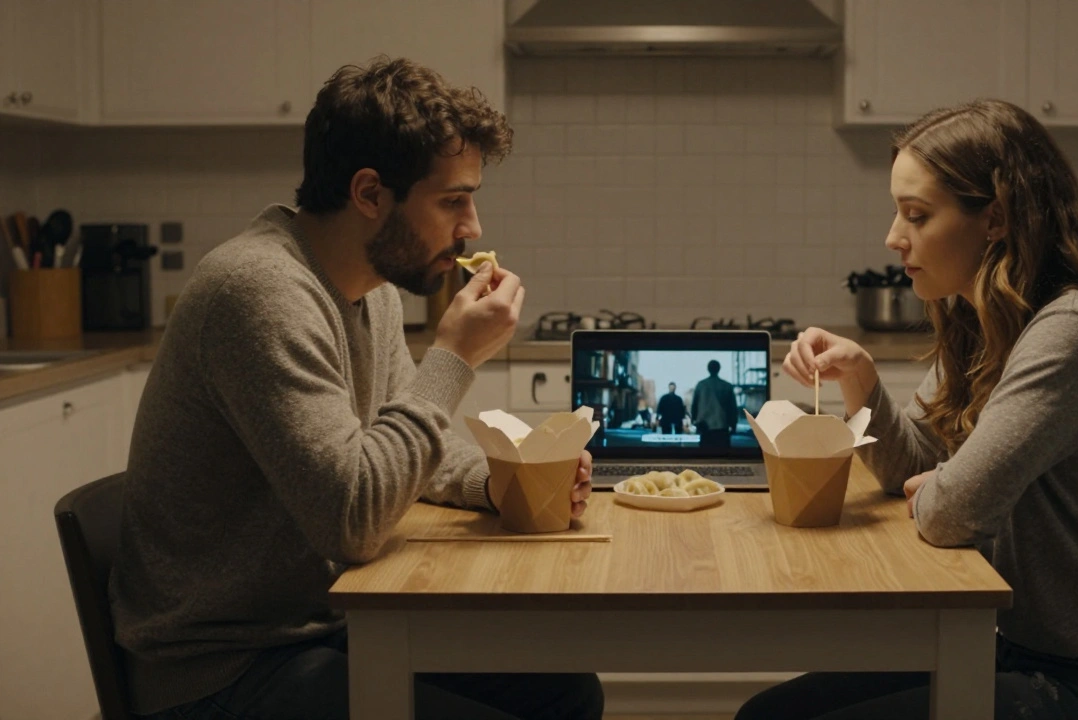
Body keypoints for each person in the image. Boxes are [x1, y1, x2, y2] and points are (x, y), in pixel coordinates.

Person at [109, 57, 603, 720]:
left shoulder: (370, 294)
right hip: (222, 669)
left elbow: (404, 456)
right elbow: (355, 520)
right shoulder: (258, 293)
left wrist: (509, 480)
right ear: (370, 194)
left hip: (323, 625)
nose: (473, 227)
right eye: (453, 200)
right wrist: (453, 357)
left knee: (567, 689)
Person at [737, 99, 1078, 720]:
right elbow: (925, 464)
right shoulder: (990, 318)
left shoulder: (1072, 330)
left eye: (917, 215)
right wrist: (862, 380)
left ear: (996, 218)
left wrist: (947, 487)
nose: (893, 237)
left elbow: (953, 512)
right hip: (1025, 650)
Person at [691, 360, 738, 448]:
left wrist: (694, 420)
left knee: (706, 456)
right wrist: (733, 425)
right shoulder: (727, 386)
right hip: (722, 426)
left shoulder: (701, 385)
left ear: (708, 369)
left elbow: (695, 405)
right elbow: (732, 408)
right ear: (719, 369)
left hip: (705, 427)